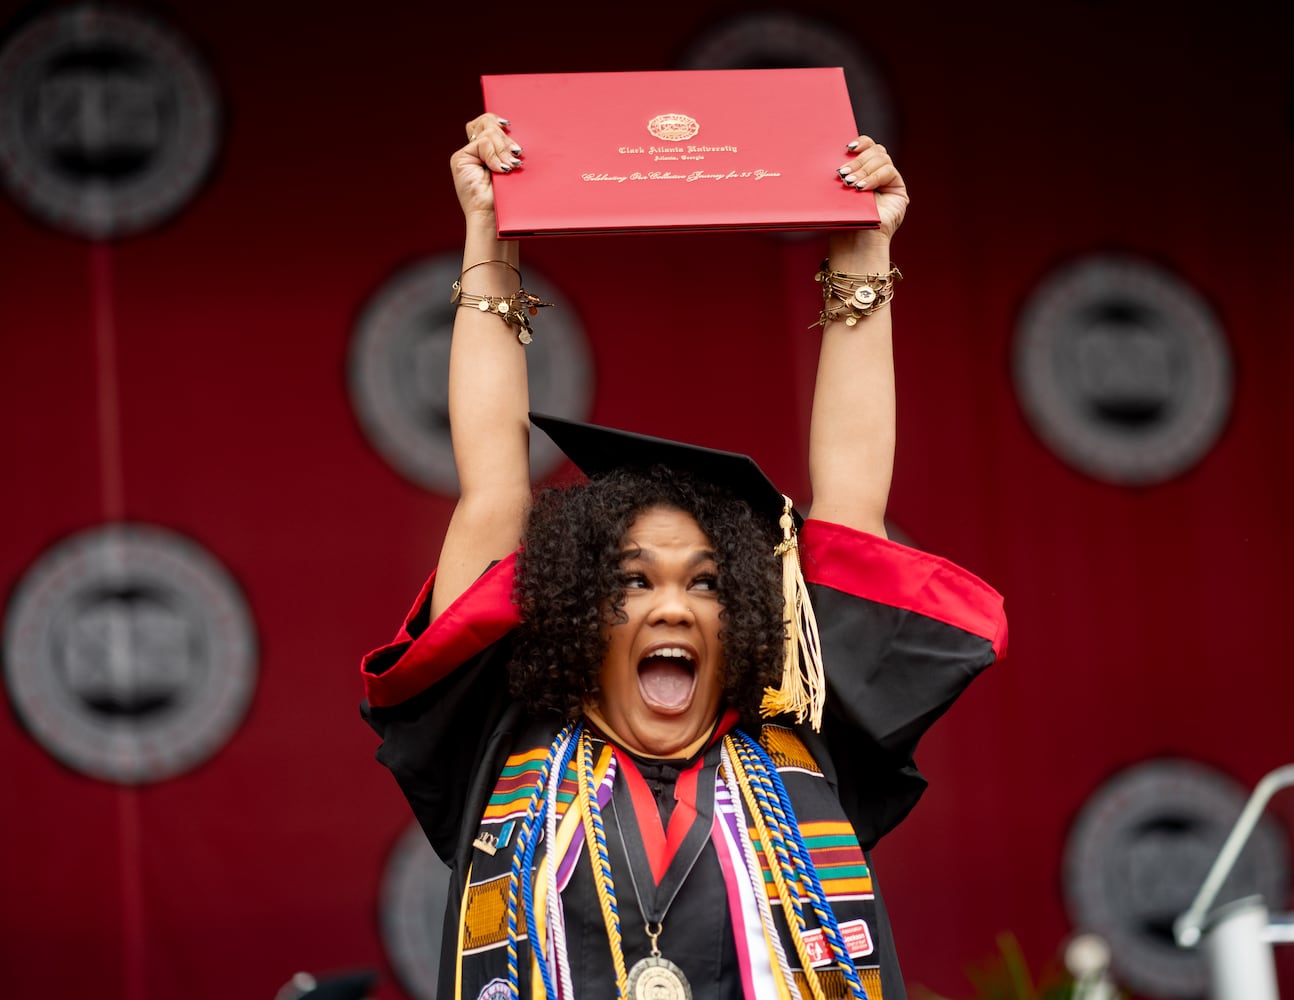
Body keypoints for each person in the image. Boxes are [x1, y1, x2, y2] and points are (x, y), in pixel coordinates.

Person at [360, 111, 1007, 1000]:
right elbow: (495, 494)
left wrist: (865, 252)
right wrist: (488, 235)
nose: (673, 607)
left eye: (705, 583)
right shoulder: (501, 739)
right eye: (632, 580)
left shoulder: (801, 738)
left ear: (741, 613)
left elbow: (853, 498)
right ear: (577, 611)